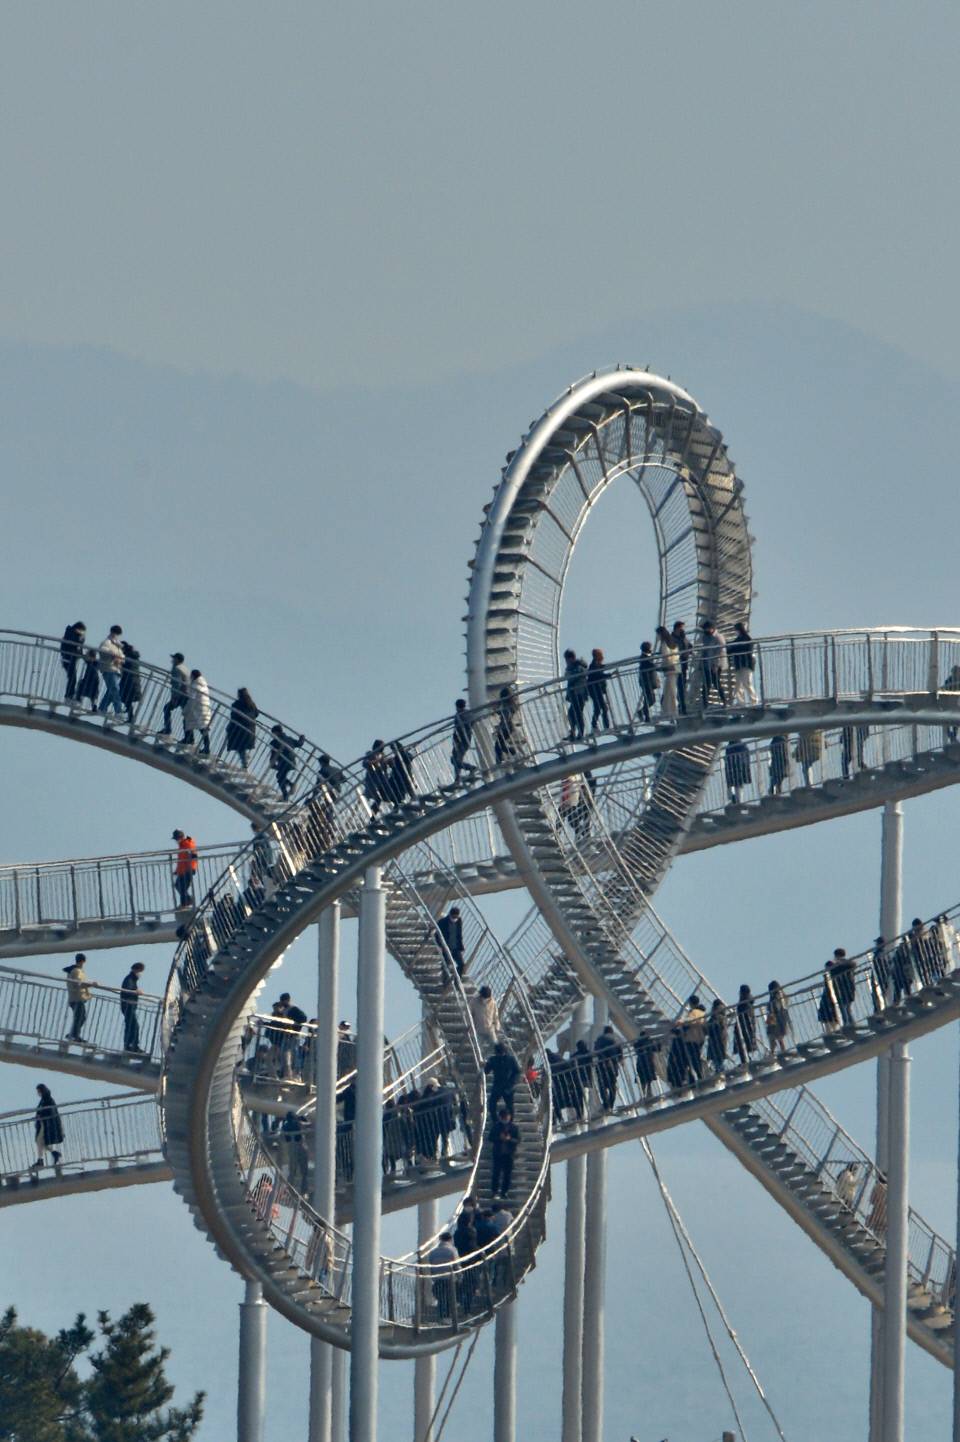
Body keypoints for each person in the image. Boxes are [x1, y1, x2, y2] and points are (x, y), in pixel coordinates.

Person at [31, 1084, 64, 1170]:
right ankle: (52, 1154)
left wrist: (40, 1115)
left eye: (38, 1091)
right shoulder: (43, 1100)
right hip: (43, 1124)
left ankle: (41, 1160)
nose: (38, 1093)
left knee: (39, 1141)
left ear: (42, 1091)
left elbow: (50, 1111)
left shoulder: (48, 1099)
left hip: (47, 1124)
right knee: (41, 1142)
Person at [676, 994, 706, 1084]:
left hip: (692, 1039)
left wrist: (680, 1022)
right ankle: (697, 1076)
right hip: (699, 1039)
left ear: (691, 1003)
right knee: (695, 1059)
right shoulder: (702, 1013)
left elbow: (690, 1020)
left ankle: (696, 1077)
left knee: (691, 1060)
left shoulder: (694, 1012)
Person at [225, 688, 258, 768]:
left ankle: (245, 762)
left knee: (240, 747)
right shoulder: (252, 704)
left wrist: (229, 727)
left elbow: (234, 716)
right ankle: (245, 759)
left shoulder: (237, 704)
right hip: (250, 730)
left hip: (239, 730)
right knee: (242, 747)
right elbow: (256, 714)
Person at [428, 1232, 458, 1319]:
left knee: (441, 1298)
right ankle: (447, 1317)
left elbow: (431, 1267)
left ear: (440, 1240)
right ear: (450, 1239)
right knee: (449, 1298)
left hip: (437, 1279)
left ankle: (441, 1316)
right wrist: (459, 1277)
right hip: (449, 1278)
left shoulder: (433, 1252)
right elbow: (456, 1265)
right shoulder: (453, 1250)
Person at [490, 1108, 519, 1197]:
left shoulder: (514, 1128)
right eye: (503, 1117)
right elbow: (490, 1138)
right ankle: (494, 1191)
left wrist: (509, 1139)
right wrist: (499, 1138)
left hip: (509, 1154)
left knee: (507, 1174)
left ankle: (504, 1192)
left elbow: (518, 1140)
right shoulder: (496, 1127)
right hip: (498, 1153)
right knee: (496, 1173)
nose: (505, 1119)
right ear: (500, 1118)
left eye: (506, 1117)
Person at [271, 724, 305, 800]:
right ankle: (290, 785)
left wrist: (272, 764)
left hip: (284, 762)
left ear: (276, 732)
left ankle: (286, 796)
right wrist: (302, 738)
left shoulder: (275, 742)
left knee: (280, 778)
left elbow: (273, 754)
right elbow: (299, 744)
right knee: (280, 776)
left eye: (273, 733)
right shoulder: (289, 739)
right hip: (292, 762)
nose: (272, 735)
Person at [484, 1043, 520, 1114]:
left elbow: (517, 1072)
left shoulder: (511, 1059)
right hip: (497, 1085)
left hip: (508, 1086)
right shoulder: (493, 1059)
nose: (500, 1055)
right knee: (492, 1105)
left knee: (510, 1107)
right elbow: (486, 1071)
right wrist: (486, 1064)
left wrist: (512, 1083)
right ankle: (496, 1121)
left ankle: (509, 1122)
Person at [97, 625, 125, 715]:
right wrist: (113, 655)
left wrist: (120, 659)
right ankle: (118, 711)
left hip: (116, 670)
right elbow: (102, 650)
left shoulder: (117, 645)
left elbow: (122, 656)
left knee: (111, 691)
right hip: (108, 669)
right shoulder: (107, 642)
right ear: (112, 633)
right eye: (116, 634)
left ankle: (102, 708)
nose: (116, 636)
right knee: (115, 689)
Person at [63, 953, 91, 1042]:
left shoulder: (73, 970)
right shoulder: (77, 971)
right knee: (81, 1017)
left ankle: (73, 1034)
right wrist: (91, 984)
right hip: (77, 998)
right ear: (83, 961)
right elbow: (78, 984)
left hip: (74, 998)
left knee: (79, 1017)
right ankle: (74, 1035)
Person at [592, 1024, 621, 1111]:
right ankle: (611, 1104)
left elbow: (596, 1051)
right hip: (613, 1065)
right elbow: (620, 1053)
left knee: (602, 1086)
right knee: (612, 1085)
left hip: (602, 1065)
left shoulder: (599, 1039)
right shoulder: (616, 1038)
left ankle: (606, 1104)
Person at [161, 653, 190, 737]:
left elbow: (176, 684)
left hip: (180, 695)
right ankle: (189, 737)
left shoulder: (176, 669)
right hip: (187, 694)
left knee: (167, 709)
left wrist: (174, 697)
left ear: (177, 660)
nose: (172, 660)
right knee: (186, 716)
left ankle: (167, 729)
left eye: (174, 658)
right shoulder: (185, 668)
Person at [727, 622, 757, 704]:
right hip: (739, 665)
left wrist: (734, 649)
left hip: (746, 664)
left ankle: (754, 700)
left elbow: (747, 649)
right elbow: (731, 648)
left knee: (747, 683)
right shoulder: (738, 639)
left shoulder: (747, 639)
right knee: (738, 685)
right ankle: (741, 703)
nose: (735, 631)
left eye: (736, 630)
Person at [184, 669, 212, 753]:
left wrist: (186, 710)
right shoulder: (204, 685)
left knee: (187, 722)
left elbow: (192, 698)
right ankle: (206, 748)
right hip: (205, 709)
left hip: (197, 709)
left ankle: (189, 740)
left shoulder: (195, 685)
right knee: (203, 729)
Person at [700, 620, 727, 706]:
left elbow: (720, 652)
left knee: (716, 682)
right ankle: (705, 704)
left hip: (716, 664)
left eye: (706, 629)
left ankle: (724, 701)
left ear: (711, 628)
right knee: (706, 684)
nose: (705, 630)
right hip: (707, 664)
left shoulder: (718, 637)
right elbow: (704, 650)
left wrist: (715, 665)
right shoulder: (705, 637)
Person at [563, 649, 588, 740]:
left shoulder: (579, 667)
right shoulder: (572, 668)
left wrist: (570, 673)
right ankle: (573, 733)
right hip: (574, 694)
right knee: (571, 714)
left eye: (567, 660)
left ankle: (580, 733)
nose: (566, 662)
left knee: (577, 713)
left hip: (579, 693)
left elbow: (575, 676)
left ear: (572, 658)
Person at [120, 963, 145, 1052]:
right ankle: (132, 1046)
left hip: (129, 1006)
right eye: (140, 971)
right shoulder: (129, 979)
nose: (140, 974)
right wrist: (136, 992)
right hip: (128, 1006)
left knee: (131, 1025)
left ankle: (130, 1045)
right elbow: (128, 990)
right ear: (136, 970)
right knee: (133, 1026)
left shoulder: (131, 979)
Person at [451, 699, 477, 784]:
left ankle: (470, 768)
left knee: (455, 759)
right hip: (465, 739)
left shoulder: (459, 715)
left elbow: (458, 728)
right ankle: (457, 778)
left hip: (460, 741)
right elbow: (472, 722)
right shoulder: (469, 713)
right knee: (455, 759)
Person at [436, 907, 465, 982]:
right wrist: (441, 945)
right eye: (454, 917)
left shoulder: (459, 921)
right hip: (446, 947)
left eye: (456, 917)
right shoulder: (442, 922)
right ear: (450, 915)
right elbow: (437, 935)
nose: (455, 918)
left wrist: (461, 947)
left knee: (461, 964)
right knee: (446, 965)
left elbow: (459, 935)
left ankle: (457, 981)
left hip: (456, 948)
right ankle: (445, 981)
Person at [655, 626, 679, 717]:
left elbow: (666, 657)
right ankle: (670, 710)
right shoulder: (672, 642)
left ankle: (670, 711)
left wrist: (661, 667)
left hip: (669, 669)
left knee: (670, 691)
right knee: (671, 691)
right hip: (675, 667)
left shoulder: (664, 644)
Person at [469, 984, 500, 1054]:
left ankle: (488, 1057)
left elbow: (496, 1016)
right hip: (478, 1030)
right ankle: (480, 1061)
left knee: (495, 1046)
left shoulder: (493, 1003)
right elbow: (469, 1014)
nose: (484, 1000)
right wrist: (470, 1026)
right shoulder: (474, 1002)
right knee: (478, 1049)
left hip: (490, 1030)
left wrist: (497, 1027)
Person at [171, 829, 198, 909]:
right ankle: (188, 901)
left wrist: (192, 868)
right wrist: (176, 871)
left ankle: (184, 904)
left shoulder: (188, 844)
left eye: (177, 838)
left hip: (187, 870)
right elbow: (180, 862)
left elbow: (193, 856)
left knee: (182, 888)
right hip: (182, 871)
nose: (176, 840)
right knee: (178, 886)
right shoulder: (182, 846)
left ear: (181, 837)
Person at [60, 622, 86, 700]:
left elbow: (79, 648)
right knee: (72, 678)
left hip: (72, 659)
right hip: (67, 658)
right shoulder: (70, 633)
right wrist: (79, 639)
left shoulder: (77, 636)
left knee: (72, 677)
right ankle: (69, 695)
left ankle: (70, 695)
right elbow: (72, 643)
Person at [831, 947, 857, 1026]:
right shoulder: (849, 963)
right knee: (847, 1008)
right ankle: (851, 1023)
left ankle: (848, 1023)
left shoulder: (837, 966)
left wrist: (837, 964)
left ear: (837, 955)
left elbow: (832, 973)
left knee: (844, 1007)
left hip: (841, 988)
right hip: (850, 987)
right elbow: (854, 964)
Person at [734, 983, 758, 1066]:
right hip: (748, 1025)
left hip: (743, 1025)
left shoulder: (744, 1003)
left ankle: (745, 1061)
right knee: (745, 1044)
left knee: (742, 1044)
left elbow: (742, 1014)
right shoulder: (749, 1001)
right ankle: (746, 1060)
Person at [587, 648, 611, 731]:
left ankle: (597, 726)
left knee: (600, 708)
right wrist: (608, 675)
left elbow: (599, 672)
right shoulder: (594, 665)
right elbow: (597, 675)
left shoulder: (596, 664)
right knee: (602, 707)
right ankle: (604, 726)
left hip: (596, 689)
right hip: (595, 689)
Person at [494, 686, 519, 764]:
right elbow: (503, 713)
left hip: (506, 727)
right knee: (500, 745)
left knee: (498, 745)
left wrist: (500, 726)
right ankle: (513, 754)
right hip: (509, 727)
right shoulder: (510, 704)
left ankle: (500, 761)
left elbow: (505, 715)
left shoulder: (507, 705)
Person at [671, 621, 692, 714]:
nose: (683, 630)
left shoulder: (684, 638)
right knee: (679, 686)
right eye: (681, 628)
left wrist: (689, 651)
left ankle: (682, 706)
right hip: (677, 665)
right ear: (677, 628)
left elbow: (690, 646)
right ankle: (682, 707)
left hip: (684, 665)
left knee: (682, 686)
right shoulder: (671, 639)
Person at [765, 980, 790, 1055]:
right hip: (781, 1018)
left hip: (776, 1019)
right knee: (778, 1037)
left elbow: (774, 1008)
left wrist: (770, 1011)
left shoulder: (775, 998)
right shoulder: (782, 996)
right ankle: (780, 1051)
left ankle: (773, 1052)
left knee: (775, 1036)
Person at [119, 642, 142, 723]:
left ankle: (130, 717)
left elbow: (126, 666)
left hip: (129, 680)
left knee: (126, 698)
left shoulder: (128, 656)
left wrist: (120, 663)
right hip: (132, 680)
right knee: (126, 698)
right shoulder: (133, 656)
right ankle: (129, 716)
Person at [724, 739, 751, 803]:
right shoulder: (742, 745)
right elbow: (746, 756)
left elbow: (727, 759)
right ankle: (738, 800)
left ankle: (734, 799)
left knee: (733, 784)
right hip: (740, 768)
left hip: (732, 768)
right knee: (738, 785)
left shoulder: (729, 747)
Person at [706, 999, 727, 1074]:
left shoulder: (716, 1015)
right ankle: (720, 1070)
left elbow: (712, 1026)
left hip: (715, 1040)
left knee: (717, 1059)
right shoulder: (722, 1015)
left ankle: (720, 1072)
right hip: (721, 1040)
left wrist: (707, 1026)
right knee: (719, 1059)